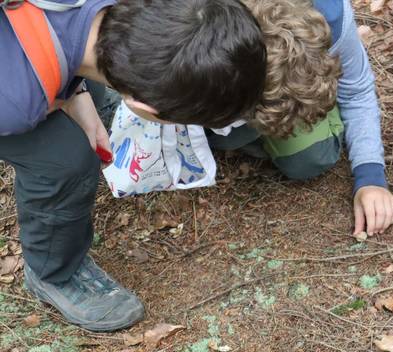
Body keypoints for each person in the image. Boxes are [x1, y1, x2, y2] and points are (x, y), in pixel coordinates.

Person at [0, 0, 266, 331]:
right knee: (65, 158)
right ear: (142, 106)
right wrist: (51, 99)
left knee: (89, 94)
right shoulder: (15, 103)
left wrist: (74, 93)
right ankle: (53, 273)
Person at [205, 0, 393, 236]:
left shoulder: (333, 17)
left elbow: (357, 91)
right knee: (225, 134)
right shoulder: (200, 24)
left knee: (309, 158)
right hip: (217, 70)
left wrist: (370, 177)